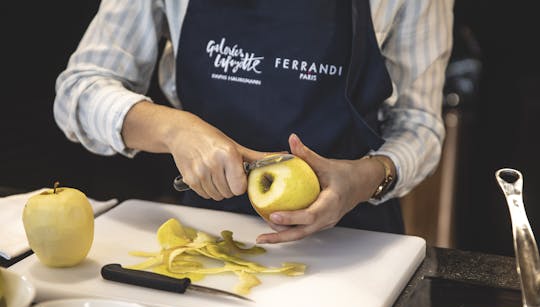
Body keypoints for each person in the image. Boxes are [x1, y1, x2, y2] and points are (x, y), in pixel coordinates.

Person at [54, 0, 454, 244]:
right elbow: (79, 90)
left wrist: (363, 179)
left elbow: (419, 123)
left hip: (352, 237)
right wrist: (175, 129)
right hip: (207, 232)